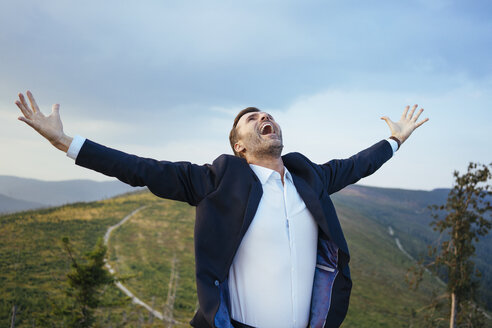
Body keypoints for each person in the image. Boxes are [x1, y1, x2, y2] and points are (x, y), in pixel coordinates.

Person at [15, 91, 428, 328]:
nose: (264, 116)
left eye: (267, 114)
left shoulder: (309, 178)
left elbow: (356, 166)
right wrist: (67, 142)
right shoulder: (216, 180)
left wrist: (395, 140)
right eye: (251, 118)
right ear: (239, 145)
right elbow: (140, 168)